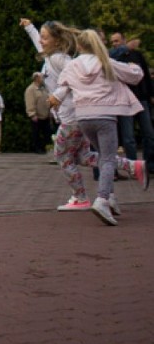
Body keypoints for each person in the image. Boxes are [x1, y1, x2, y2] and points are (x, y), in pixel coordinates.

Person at [21, 17, 145, 211]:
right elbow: (40, 44)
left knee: (61, 155)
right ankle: (130, 167)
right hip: (75, 115)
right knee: (84, 156)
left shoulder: (60, 59)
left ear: (57, 40)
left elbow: (74, 75)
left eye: (45, 38)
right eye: (41, 38)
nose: (41, 41)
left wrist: (58, 97)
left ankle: (80, 197)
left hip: (73, 116)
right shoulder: (50, 57)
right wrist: (30, 28)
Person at [49, 29, 147, 225]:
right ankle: (102, 199)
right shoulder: (106, 62)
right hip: (105, 115)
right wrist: (134, 66)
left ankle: (110, 197)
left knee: (102, 157)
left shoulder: (73, 65)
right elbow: (135, 76)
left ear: (78, 46)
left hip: (83, 117)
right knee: (108, 158)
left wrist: (54, 100)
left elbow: (62, 87)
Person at [109, 31, 154, 172]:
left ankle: (149, 165)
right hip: (125, 100)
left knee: (149, 133)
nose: (115, 44)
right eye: (113, 42)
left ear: (124, 39)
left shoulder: (137, 55)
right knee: (128, 137)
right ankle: (133, 167)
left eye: (117, 41)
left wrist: (151, 94)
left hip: (141, 98)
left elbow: (146, 75)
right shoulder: (113, 57)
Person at [24, 71, 53, 154]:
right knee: (36, 133)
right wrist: (32, 114)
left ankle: (47, 148)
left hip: (45, 115)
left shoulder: (44, 88)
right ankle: (37, 148)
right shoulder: (30, 89)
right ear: (36, 78)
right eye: (42, 77)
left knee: (47, 133)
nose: (43, 79)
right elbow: (30, 102)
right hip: (37, 116)